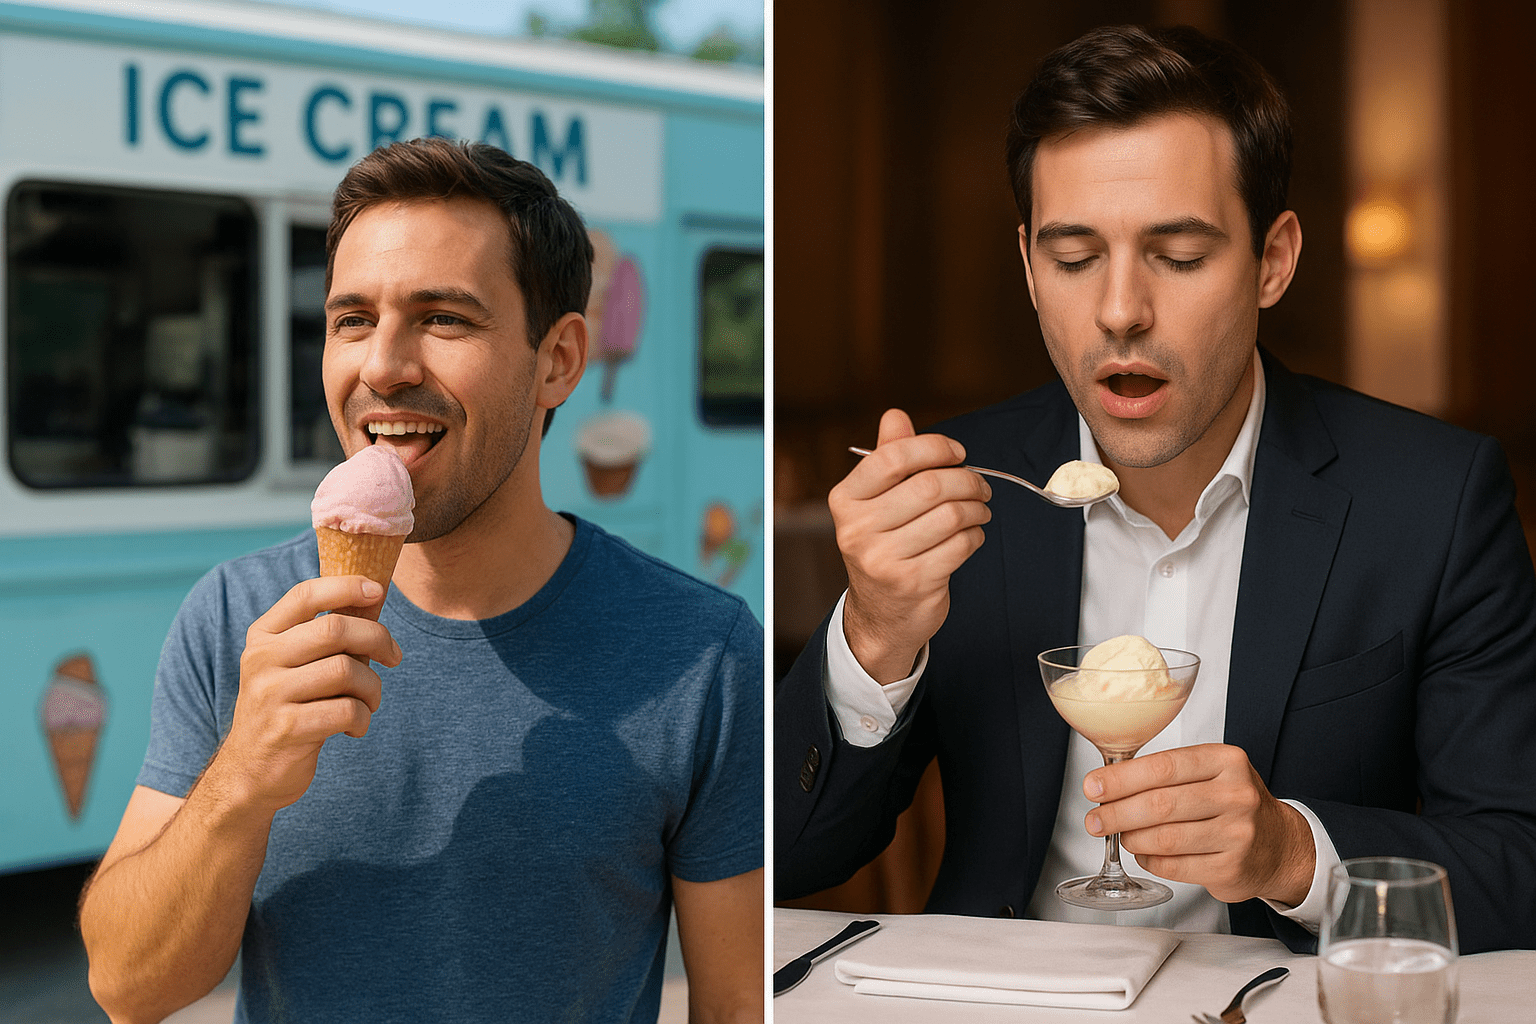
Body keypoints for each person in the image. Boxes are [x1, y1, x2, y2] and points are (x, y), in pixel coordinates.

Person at [775, 23, 1536, 954]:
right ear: (1026, 266)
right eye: (1073, 257)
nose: (1121, 309)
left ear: (1273, 261)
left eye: (1178, 256)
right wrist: (876, 634)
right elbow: (786, 858)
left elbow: (1519, 865)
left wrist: (1294, 854)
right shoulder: (966, 490)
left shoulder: (1432, 501)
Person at [80, 138, 763, 1023]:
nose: (382, 366)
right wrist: (242, 780)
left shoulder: (701, 652)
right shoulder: (234, 618)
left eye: (444, 318)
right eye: (351, 319)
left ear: (557, 360)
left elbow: (739, 1003)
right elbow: (128, 989)